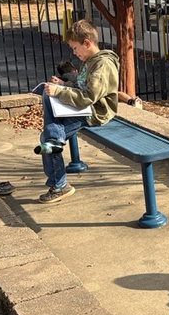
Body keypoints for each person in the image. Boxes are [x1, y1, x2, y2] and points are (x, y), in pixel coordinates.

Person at [35, 20, 119, 204]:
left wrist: (60, 92)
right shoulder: (89, 61)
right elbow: (81, 85)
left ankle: (59, 185)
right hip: (83, 107)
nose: (74, 53)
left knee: (46, 139)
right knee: (48, 98)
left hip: (94, 112)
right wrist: (64, 85)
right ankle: (54, 140)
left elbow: (88, 96)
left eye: (75, 48)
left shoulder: (102, 65)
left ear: (87, 43)